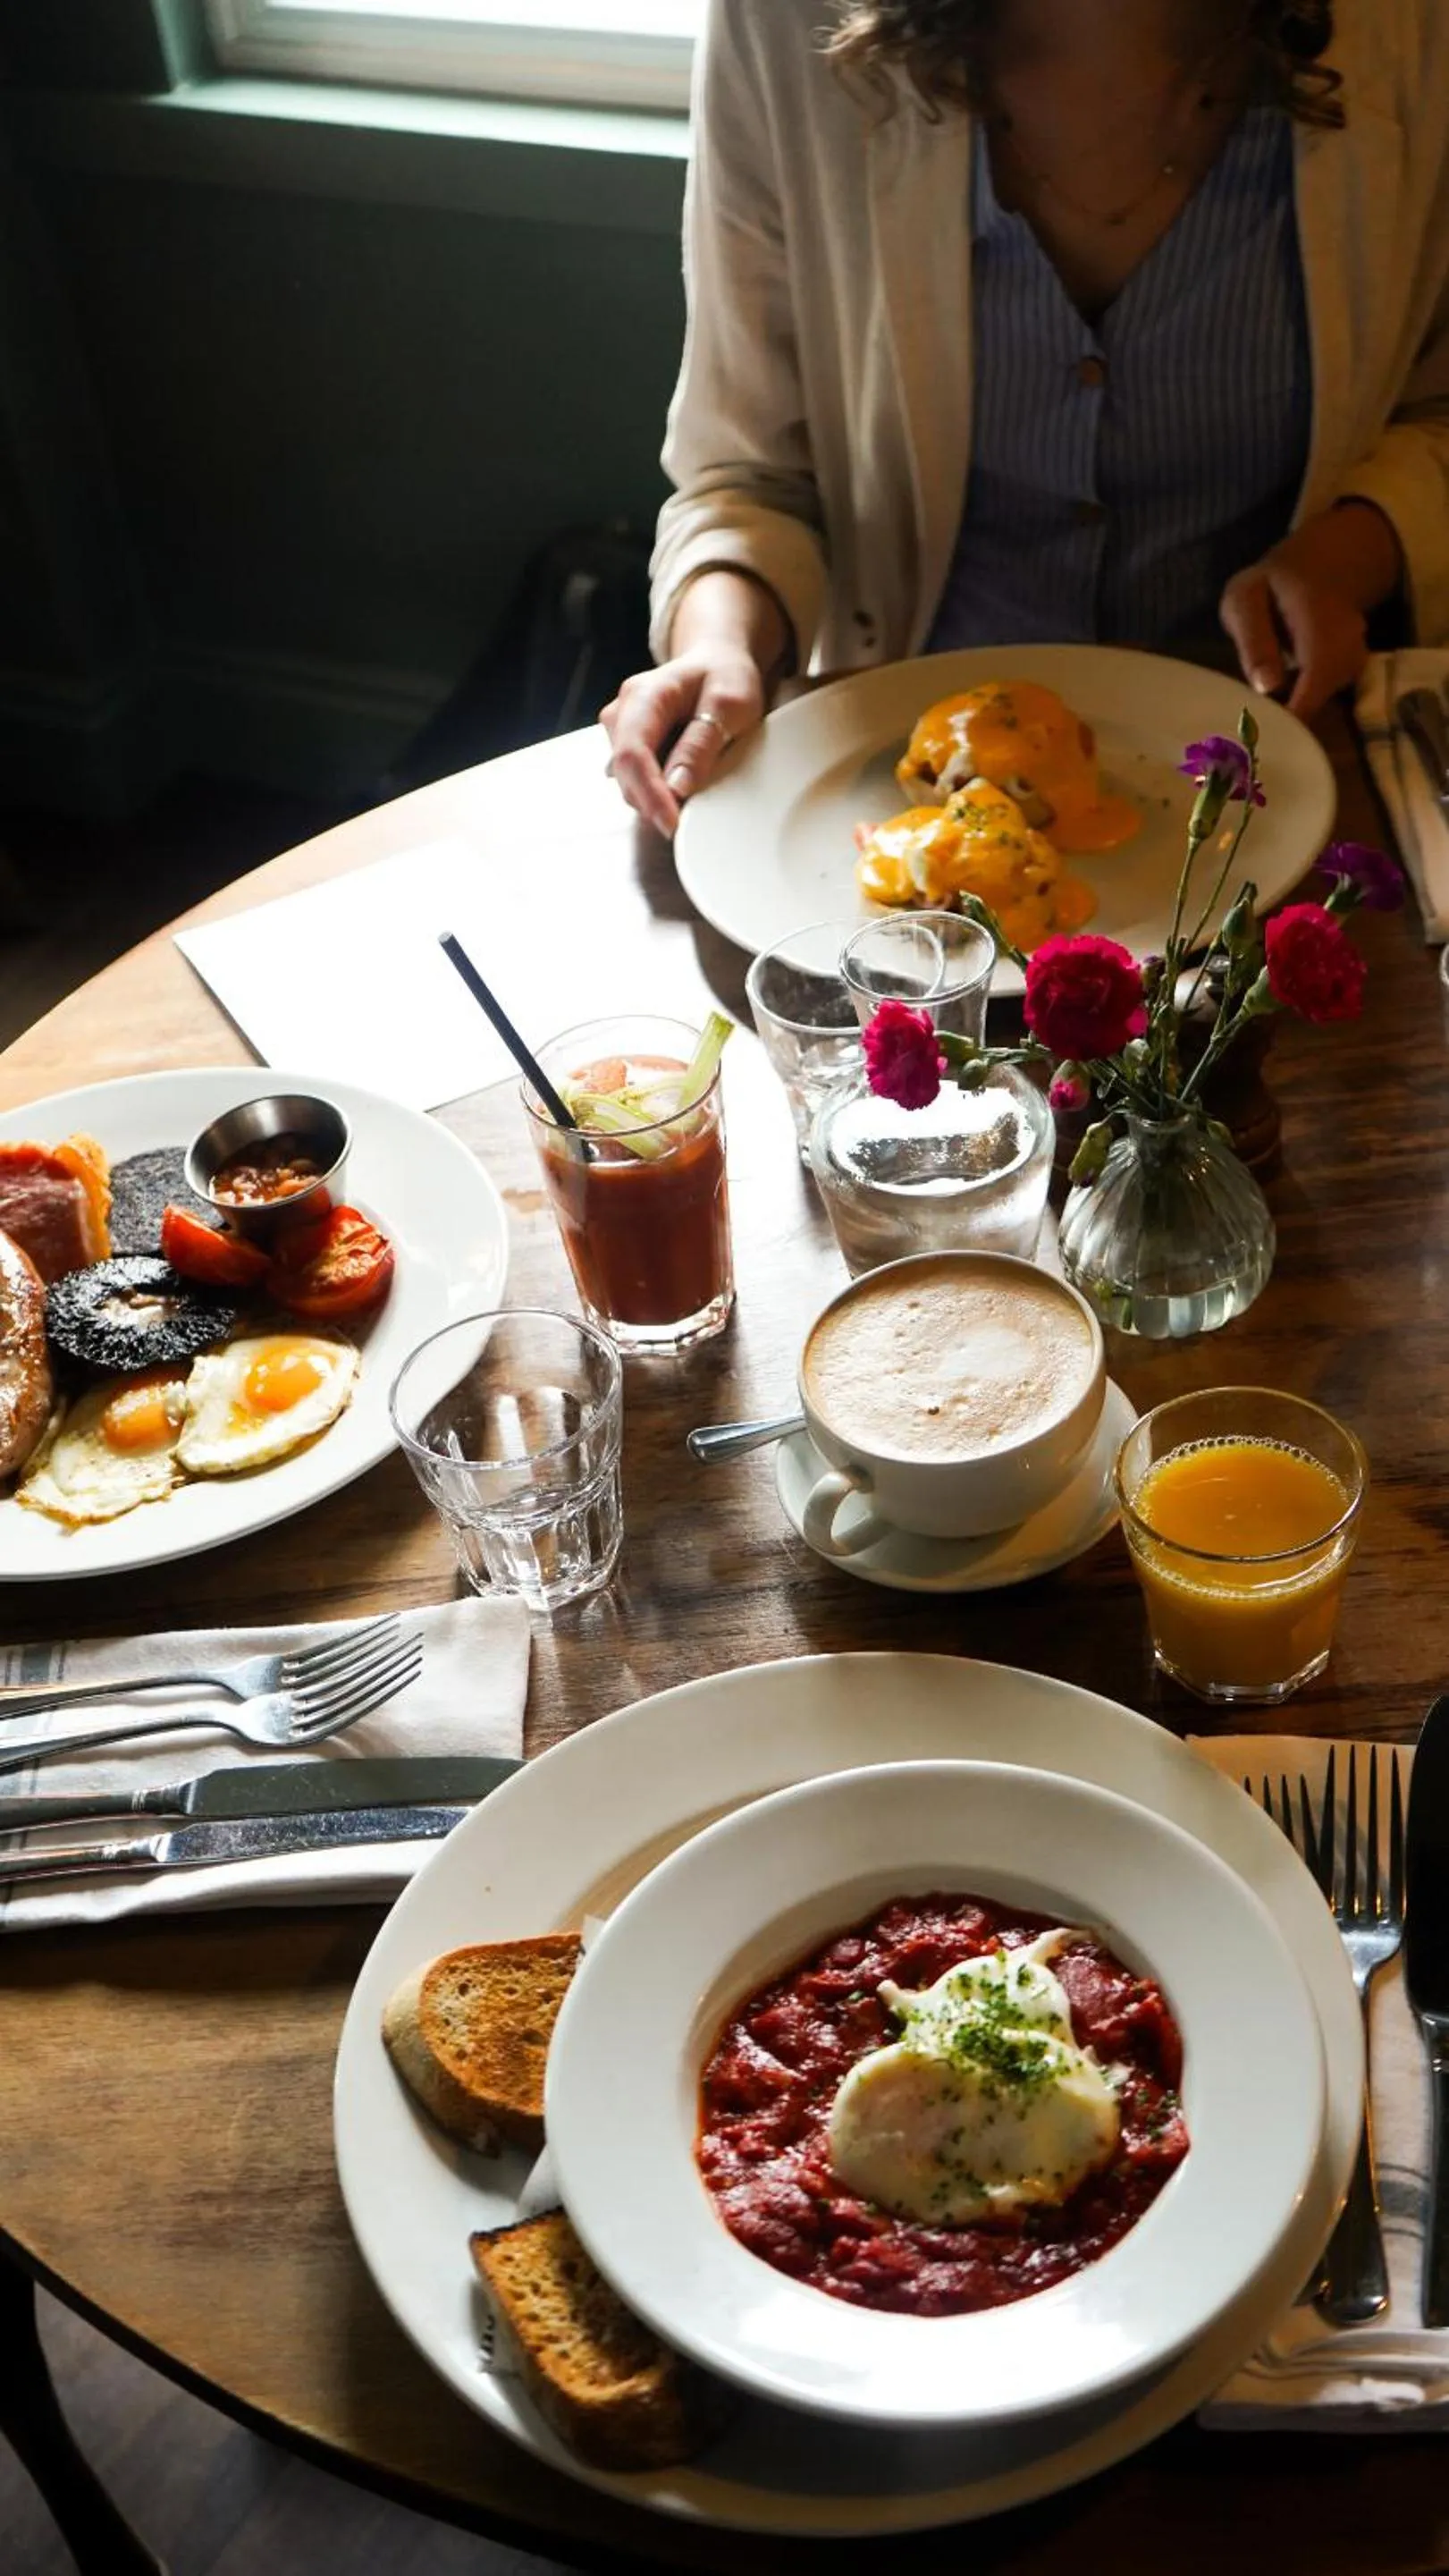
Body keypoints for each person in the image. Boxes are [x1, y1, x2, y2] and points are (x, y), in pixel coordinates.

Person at [602, 0, 1449, 836]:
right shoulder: (780, 21)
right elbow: (751, 477)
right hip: (897, 810)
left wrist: (1352, 550)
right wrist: (718, 644)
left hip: (1292, 791)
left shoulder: (1414, 31)